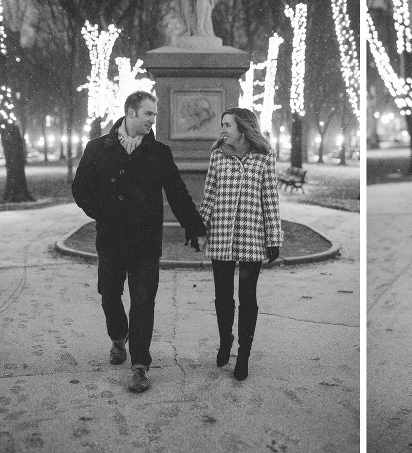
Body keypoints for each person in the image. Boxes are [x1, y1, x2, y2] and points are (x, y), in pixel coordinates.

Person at [72, 91, 207, 393]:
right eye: (148, 114)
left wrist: (194, 227)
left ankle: (140, 365)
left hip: (145, 241)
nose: (153, 120)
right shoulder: (98, 148)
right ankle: (118, 336)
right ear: (131, 113)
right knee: (109, 294)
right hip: (111, 239)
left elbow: (177, 193)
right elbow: (80, 188)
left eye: (155, 115)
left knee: (143, 302)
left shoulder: (159, 152)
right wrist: (102, 212)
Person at [198, 108, 283, 380]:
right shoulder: (217, 155)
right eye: (222, 125)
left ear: (243, 128)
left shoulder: (264, 156)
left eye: (227, 125)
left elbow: (270, 198)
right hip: (221, 233)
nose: (222, 130)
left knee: (248, 298)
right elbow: (209, 195)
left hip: (251, 234)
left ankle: (244, 354)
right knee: (223, 296)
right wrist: (200, 229)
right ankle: (226, 340)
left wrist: (274, 238)